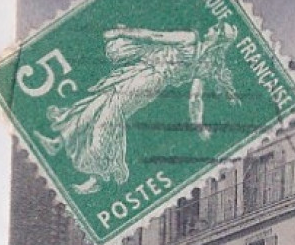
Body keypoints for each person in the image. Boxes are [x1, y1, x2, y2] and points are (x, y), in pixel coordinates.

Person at [36, 23, 239, 194]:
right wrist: (198, 125)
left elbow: (153, 36)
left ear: (218, 38)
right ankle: (59, 140)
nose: (211, 28)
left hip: (148, 79)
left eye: (217, 28)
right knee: (98, 101)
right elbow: (195, 99)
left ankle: (97, 174)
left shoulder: (190, 40)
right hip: (144, 74)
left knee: (109, 115)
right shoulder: (205, 63)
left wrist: (122, 33)